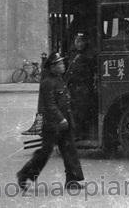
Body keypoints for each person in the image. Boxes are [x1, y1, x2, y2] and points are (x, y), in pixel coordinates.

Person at [17, 52, 84, 191]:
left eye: (62, 63)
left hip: (63, 122)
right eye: (60, 63)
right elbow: (50, 105)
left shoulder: (58, 79)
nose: (63, 65)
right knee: (45, 152)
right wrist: (61, 119)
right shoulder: (48, 82)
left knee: (69, 150)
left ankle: (71, 180)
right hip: (52, 124)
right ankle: (24, 174)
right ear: (53, 67)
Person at [64, 33, 97, 141]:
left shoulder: (89, 55)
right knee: (74, 112)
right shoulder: (72, 54)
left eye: (81, 41)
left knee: (82, 112)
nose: (79, 44)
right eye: (77, 41)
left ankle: (81, 134)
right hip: (73, 87)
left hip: (84, 87)